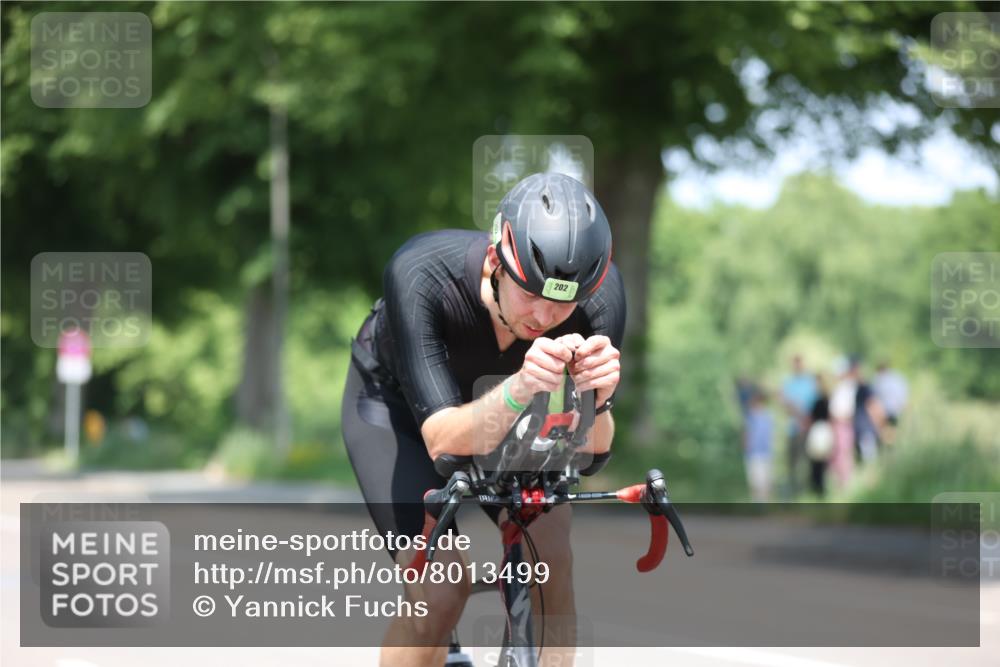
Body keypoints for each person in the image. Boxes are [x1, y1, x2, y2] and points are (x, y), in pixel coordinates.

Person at [341, 173, 626, 667]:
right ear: (496, 260)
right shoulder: (421, 272)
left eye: (564, 302)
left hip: (514, 406)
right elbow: (444, 445)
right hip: (398, 409)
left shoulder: (601, 301)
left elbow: (594, 455)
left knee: (549, 556)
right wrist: (517, 388)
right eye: (531, 294)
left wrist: (597, 399)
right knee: (441, 588)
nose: (544, 315)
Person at [780, 355, 818, 497]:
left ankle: (808, 491)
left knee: (809, 460)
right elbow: (785, 405)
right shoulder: (788, 383)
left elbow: (814, 404)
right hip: (793, 429)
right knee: (792, 462)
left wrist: (806, 419)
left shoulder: (810, 382)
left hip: (808, 428)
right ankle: (793, 492)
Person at [743, 388, 774, 502]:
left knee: (765, 481)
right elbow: (746, 433)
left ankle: (764, 503)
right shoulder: (750, 416)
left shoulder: (767, 416)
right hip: (753, 453)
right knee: (755, 480)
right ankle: (757, 502)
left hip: (765, 452)